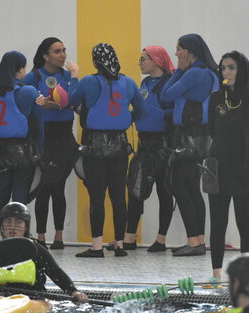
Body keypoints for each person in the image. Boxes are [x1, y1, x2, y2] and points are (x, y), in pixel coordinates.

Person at [68, 43, 146, 258]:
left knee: (97, 197)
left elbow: (70, 100)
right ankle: (120, 245)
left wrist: (74, 76)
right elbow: (142, 110)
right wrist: (124, 117)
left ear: (96, 62)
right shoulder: (129, 83)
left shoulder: (89, 82)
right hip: (120, 147)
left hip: (95, 147)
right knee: (119, 196)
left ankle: (97, 246)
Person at [207, 51, 249, 284]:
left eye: (231, 68)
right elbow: (211, 130)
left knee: (245, 222)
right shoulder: (215, 99)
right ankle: (216, 273)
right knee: (218, 222)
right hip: (218, 169)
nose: (226, 72)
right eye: (223, 68)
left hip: (244, 170)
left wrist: (248, 154)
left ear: (241, 70)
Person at [159, 34, 219, 257]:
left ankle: (194, 242)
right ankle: (198, 241)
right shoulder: (208, 72)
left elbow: (166, 95)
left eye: (178, 49)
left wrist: (179, 71)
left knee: (180, 187)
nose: (175, 54)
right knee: (192, 189)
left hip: (188, 139)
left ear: (189, 52)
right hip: (200, 138)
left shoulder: (194, 73)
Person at [0, 202, 89, 303]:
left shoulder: (35, 249)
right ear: (1, 227)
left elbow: (55, 272)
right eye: (8, 222)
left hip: (32, 299)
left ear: (26, 227)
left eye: (19, 222)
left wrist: (74, 292)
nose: (13, 227)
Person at [24, 37, 79, 249]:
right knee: (43, 187)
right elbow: (25, 101)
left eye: (64, 50)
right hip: (43, 136)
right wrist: (44, 105)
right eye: (57, 51)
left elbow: (74, 100)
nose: (63, 54)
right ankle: (40, 236)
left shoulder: (68, 76)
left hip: (64, 136)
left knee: (58, 186)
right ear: (45, 55)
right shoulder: (34, 76)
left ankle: (59, 236)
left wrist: (75, 77)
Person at [122, 45, 176, 252]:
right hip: (144, 143)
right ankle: (129, 237)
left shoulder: (168, 83)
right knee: (136, 189)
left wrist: (159, 115)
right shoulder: (144, 83)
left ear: (155, 61)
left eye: (143, 58)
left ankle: (161, 240)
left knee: (164, 191)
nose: (140, 62)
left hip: (162, 144)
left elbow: (172, 111)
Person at [0, 51, 45, 242]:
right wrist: (40, 151)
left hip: (0, 150)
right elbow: (38, 124)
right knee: (20, 198)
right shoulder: (28, 91)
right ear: (20, 69)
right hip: (22, 151)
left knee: (0, 198)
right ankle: (19, 240)